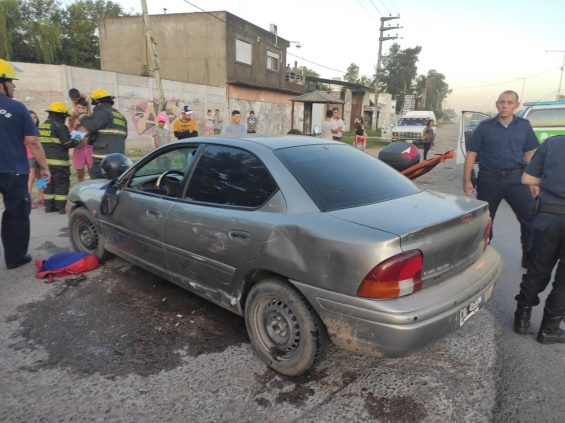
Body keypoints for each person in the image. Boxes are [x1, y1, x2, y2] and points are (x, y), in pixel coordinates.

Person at [463, 90, 539, 268]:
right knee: (485, 221)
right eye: (502, 102)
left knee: (529, 219)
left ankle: (530, 259)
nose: (505, 105)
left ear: (516, 106)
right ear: (497, 104)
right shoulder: (484, 127)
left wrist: (534, 181)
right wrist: (466, 180)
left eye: (509, 102)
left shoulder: (524, 126)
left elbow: (530, 154)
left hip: (517, 180)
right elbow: (472, 154)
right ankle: (481, 257)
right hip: (489, 181)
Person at [513, 135, 565, 343]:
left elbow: (527, 179)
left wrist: (553, 181)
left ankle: (521, 320)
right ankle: (549, 329)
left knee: (537, 270)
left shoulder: (554, 143)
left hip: (548, 217)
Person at [0, 58, 51, 269]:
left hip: (15, 170)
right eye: (11, 81)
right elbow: (32, 142)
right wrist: (45, 166)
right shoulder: (17, 108)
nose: (14, 85)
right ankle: (15, 257)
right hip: (14, 171)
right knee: (17, 214)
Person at [78, 88, 127, 179]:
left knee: (98, 188)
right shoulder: (120, 116)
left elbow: (92, 126)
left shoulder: (102, 113)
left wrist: (81, 116)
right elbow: (123, 136)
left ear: (97, 102)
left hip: (102, 160)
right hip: (119, 160)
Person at [39, 102, 78, 214]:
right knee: (61, 184)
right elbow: (68, 143)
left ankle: (48, 207)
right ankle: (61, 207)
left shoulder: (43, 125)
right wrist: (77, 137)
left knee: (47, 183)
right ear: (60, 115)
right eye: (64, 116)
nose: (65, 119)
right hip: (59, 163)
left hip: (44, 164)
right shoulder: (60, 126)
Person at [68, 89, 93, 182]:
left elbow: (87, 99)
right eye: (79, 108)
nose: (81, 110)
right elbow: (70, 133)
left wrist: (87, 133)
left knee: (92, 174)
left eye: (84, 108)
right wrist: (75, 125)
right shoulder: (72, 118)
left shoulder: (90, 116)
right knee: (80, 176)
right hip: (78, 149)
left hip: (89, 148)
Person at [26, 110, 43, 208]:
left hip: (38, 156)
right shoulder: (25, 129)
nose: (33, 120)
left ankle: (42, 197)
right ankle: (28, 200)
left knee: (40, 177)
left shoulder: (37, 130)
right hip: (30, 156)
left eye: (35, 117)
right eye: (31, 118)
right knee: (31, 178)